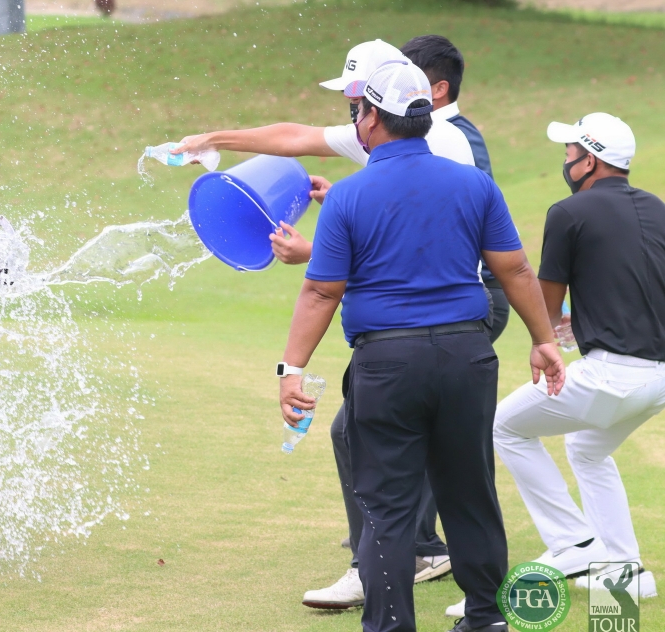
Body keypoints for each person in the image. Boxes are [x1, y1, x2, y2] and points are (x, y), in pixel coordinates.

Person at [174, 39, 477, 609]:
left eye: (355, 99)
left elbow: (418, 245)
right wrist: (212, 139)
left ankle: (387, 563)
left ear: (379, 97)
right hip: (433, 310)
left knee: (378, 435)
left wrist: (317, 248)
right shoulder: (383, 133)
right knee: (396, 437)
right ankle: (418, 554)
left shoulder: (433, 143)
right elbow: (295, 137)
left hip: (444, 306)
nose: (350, 112)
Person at [277, 61, 565, 632]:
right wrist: (543, 340)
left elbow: (320, 291)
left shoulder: (349, 197)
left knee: (387, 507)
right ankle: (486, 619)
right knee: (470, 493)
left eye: (356, 109)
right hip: (466, 356)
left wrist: (291, 369)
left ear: (372, 119)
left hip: (386, 365)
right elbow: (513, 268)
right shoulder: (474, 184)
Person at [492, 113, 660, 596]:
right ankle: (626, 572)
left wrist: (545, 339)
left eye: (569, 153)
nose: (565, 161)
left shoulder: (567, 213)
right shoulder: (657, 208)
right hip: (657, 380)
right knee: (587, 449)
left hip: (612, 376)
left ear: (591, 161)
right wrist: (581, 324)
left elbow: (544, 298)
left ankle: (573, 542)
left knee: (505, 426)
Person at [400, 34, 512, 618]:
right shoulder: (421, 136)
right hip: (453, 297)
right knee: (420, 419)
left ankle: (419, 548)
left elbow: (446, 229)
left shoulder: (450, 138)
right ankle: (416, 543)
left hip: (470, 298)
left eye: (404, 73)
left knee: (423, 422)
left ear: (436, 89)